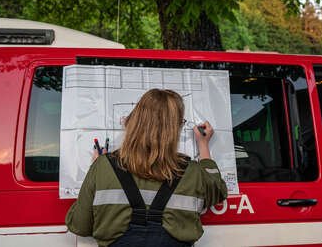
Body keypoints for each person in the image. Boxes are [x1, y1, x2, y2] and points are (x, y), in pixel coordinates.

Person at [65, 88, 228, 247]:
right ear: (174, 129)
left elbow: (79, 226)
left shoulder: (102, 166)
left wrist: (98, 170)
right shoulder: (193, 171)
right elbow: (218, 190)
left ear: (133, 121)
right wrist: (203, 145)